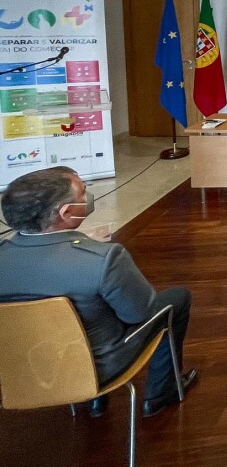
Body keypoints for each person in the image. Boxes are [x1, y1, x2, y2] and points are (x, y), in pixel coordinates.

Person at [0, 167, 197, 418]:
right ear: (67, 212)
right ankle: (162, 392)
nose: (88, 197)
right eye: (83, 193)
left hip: (17, 370)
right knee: (176, 299)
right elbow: (140, 314)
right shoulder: (104, 258)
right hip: (98, 367)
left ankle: (94, 403)